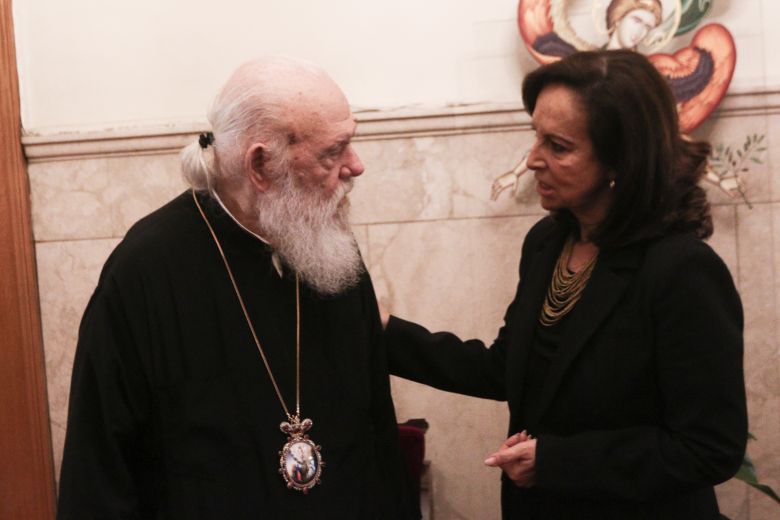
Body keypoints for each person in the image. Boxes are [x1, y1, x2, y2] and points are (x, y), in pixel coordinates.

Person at [383, 50, 747, 519]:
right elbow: (507, 368)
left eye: (558, 146)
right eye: (536, 137)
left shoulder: (681, 269)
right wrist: (385, 332)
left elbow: (709, 447)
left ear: (620, 159)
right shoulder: (547, 242)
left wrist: (556, 462)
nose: (534, 160)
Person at [57, 56, 417, 519]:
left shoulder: (330, 248)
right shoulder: (144, 273)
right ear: (260, 165)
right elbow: (98, 475)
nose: (356, 166)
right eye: (333, 151)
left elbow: (378, 433)